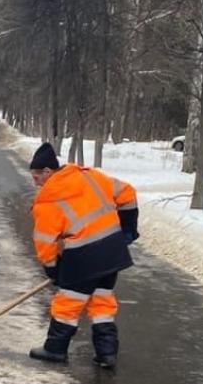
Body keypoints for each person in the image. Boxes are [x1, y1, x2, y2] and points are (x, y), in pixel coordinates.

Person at [27, 142, 138, 369]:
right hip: (112, 252)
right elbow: (128, 193)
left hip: (84, 257)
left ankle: (55, 349)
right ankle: (107, 353)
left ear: (48, 172)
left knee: (68, 302)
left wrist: (52, 268)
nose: (34, 182)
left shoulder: (49, 200)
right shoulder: (91, 176)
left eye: (36, 176)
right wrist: (127, 229)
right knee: (102, 300)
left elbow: (45, 242)